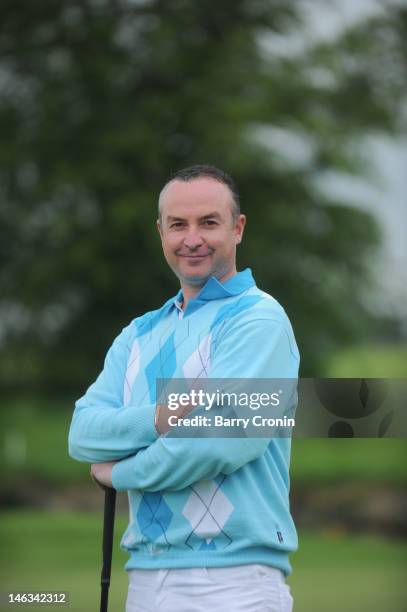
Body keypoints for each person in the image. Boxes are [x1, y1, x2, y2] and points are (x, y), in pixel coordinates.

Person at [68, 164, 299, 612]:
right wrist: (159, 417)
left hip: (236, 580)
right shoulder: (136, 333)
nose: (191, 238)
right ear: (161, 232)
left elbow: (220, 439)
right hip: (144, 578)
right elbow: (82, 432)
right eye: (178, 224)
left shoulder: (260, 319)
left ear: (238, 228)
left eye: (208, 222)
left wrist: (118, 473)